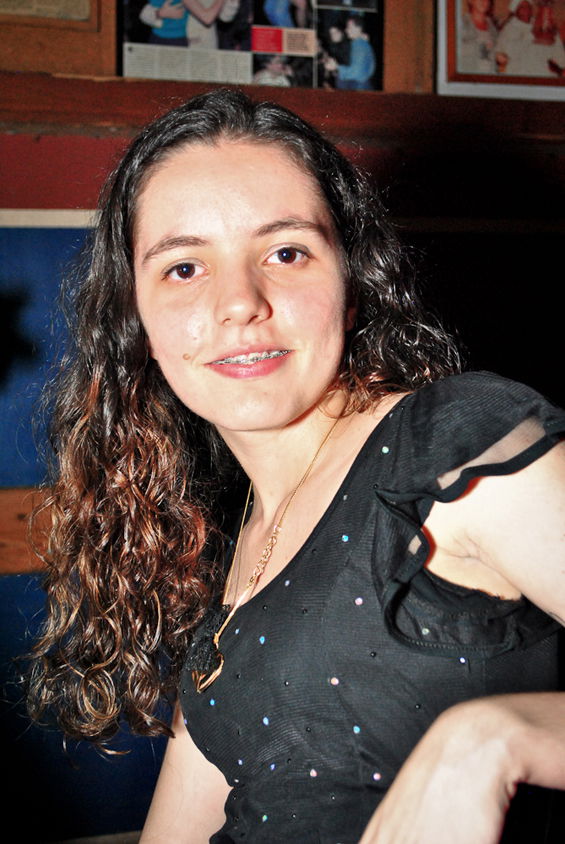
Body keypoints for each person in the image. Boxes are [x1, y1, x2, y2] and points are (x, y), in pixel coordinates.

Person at [28, 90, 565, 843]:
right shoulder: (234, 531)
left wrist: (492, 739)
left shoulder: (456, 446)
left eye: (285, 252)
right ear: (137, 323)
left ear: (352, 287)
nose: (239, 302)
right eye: (184, 268)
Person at [324, 15, 375, 90]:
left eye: (349, 27)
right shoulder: (356, 44)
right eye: (331, 33)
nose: (346, 30)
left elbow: (357, 72)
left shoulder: (359, 45)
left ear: (358, 28)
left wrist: (336, 67)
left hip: (358, 87)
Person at [458, 0, 498, 74]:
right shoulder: (461, 24)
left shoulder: (492, 27)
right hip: (468, 75)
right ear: (470, 1)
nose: (483, 1)